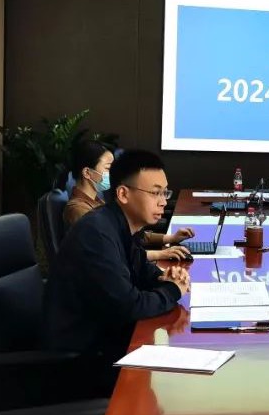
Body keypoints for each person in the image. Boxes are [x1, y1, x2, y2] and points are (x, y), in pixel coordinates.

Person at [43, 149, 191, 390]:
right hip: (82, 362)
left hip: (106, 344)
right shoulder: (97, 234)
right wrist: (173, 290)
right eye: (155, 193)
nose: (163, 201)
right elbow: (130, 306)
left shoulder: (122, 226)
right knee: (177, 385)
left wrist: (165, 277)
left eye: (165, 192)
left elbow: (141, 271)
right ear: (123, 194)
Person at [65, 141, 193, 261]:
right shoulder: (79, 211)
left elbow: (130, 233)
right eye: (108, 168)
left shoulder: (98, 202)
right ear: (87, 173)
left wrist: (170, 238)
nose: (112, 173)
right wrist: (161, 254)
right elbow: (114, 252)